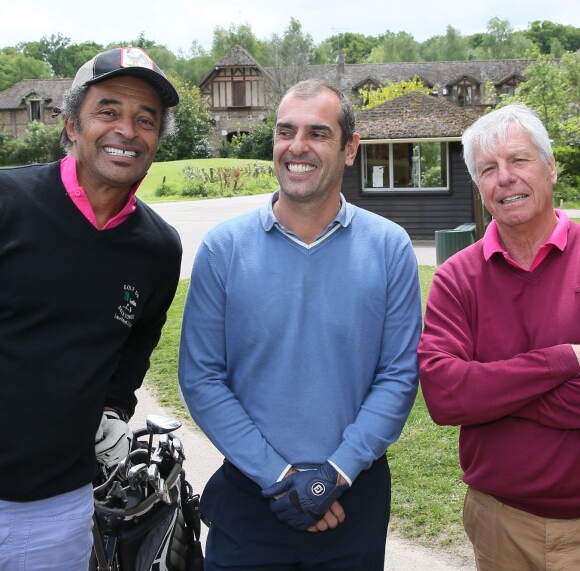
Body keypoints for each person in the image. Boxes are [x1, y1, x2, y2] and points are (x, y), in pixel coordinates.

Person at [178, 78, 422, 570]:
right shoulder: (224, 250)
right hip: (250, 498)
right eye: (285, 131)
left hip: (353, 501)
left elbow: (398, 375)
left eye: (317, 133)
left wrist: (333, 475)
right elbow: (201, 377)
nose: (297, 147)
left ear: (350, 148)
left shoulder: (390, 248)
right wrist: (278, 475)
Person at [0, 46, 182, 570]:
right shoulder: (8, 203)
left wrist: (111, 410)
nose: (127, 129)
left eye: (144, 119)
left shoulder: (158, 248)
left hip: (56, 509)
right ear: (72, 126)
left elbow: (136, 346)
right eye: (108, 111)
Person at [418, 103, 580, 570]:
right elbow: (446, 398)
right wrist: (562, 362)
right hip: (502, 524)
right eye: (489, 169)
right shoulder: (456, 278)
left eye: (519, 160)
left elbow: (466, 391)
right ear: (480, 188)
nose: (505, 177)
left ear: (550, 168)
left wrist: (490, 390)